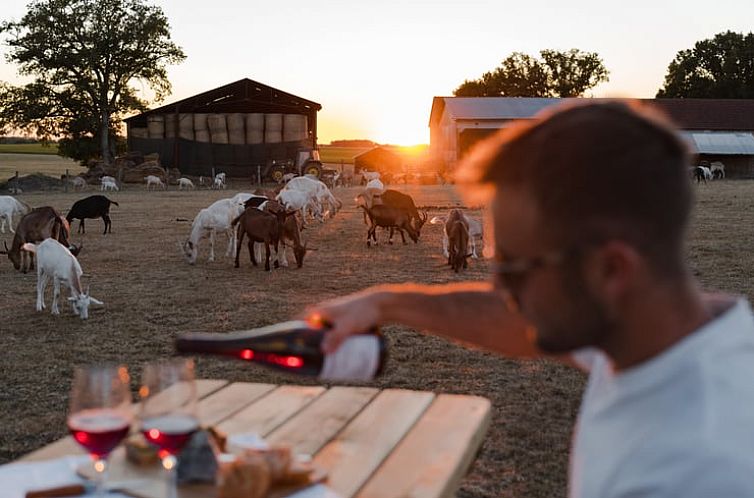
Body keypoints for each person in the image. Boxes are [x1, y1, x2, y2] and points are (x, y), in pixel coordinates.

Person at [305, 101, 754, 497]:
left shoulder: (700, 474)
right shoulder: (651, 335)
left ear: (611, 270)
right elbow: (515, 321)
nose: (499, 290)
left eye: (516, 269)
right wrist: (386, 303)